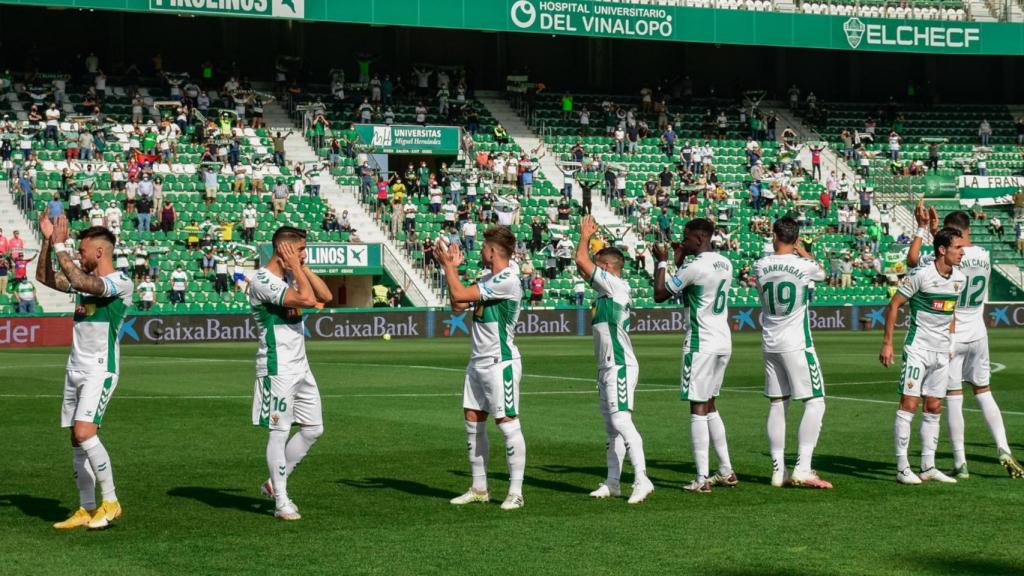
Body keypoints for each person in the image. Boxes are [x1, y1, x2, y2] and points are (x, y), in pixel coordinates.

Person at [906, 206, 1023, 478]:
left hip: (951, 333)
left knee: (954, 398)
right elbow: (958, 248)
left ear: (951, 235)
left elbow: (916, 259)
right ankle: (1003, 447)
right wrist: (940, 232)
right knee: (984, 392)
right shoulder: (984, 255)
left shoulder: (948, 258)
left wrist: (927, 230)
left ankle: (960, 462)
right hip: (978, 332)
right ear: (968, 229)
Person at [36, 214, 133, 530]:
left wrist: (61, 243)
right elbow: (45, 277)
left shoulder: (119, 282)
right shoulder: (83, 278)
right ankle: (86, 507)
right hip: (75, 367)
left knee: (84, 433)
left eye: (82, 250)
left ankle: (111, 501)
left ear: (100, 253)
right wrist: (48, 242)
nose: (79, 255)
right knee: (75, 442)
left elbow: (80, 281)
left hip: (99, 370)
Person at [433, 226, 526, 511]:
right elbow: (457, 303)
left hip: (501, 362)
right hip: (478, 361)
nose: (480, 251)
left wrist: (448, 266)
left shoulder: (508, 279)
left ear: (494, 251)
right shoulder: (488, 277)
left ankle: (515, 492)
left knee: (507, 424)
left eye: (484, 247)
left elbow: (460, 293)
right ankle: (479, 488)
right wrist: (452, 271)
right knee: (473, 421)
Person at [250, 226, 333, 520]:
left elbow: (325, 295)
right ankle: (281, 501)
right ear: (283, 250)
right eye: (299, 250)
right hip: (277, 367)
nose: (303, 254)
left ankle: (273, 484)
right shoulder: (262, 280)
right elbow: (308, 301)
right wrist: (297, 267)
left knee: (313, 428)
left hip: (301, 365)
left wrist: (302, 266)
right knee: (279, 430)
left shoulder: (290, 275)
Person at [652, 218, 736, 493]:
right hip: (723, 340)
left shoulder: (695, 267)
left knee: (697, 407)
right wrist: (681, 257)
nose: (683, 241)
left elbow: (661, 293)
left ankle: (701, 479)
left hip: (701, 342)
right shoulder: (724, 263)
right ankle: (726, 470)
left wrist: (662, 261)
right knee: (711, 404)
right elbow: (689, 282)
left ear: (699, 239)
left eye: (687, 238)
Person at [880, 227, 966, 485]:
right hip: (918, 349)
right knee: (909, 404)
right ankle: (902, 467)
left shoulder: (960, 279)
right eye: (957, 248)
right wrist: (887, 344)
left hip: (941, 352)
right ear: (942, 250)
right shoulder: (921, 275)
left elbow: (950, 312)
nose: (962, 252)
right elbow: (894, 305)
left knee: (934, 406)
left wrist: (950, 342)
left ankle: (928, 466)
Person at [576, 216, 653, 504]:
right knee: (611, 428)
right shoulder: (604, 290)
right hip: (607, 367)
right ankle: (613, 482)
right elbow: (583, 265)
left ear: (607, 268)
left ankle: (642, 478)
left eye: (598, 265)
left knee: (622, 421)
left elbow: (582, 261)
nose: (591, 272)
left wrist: (585, 235)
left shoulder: (615, 286)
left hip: (620, 365)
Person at [753, 218, 832, 489]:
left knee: (777, 403)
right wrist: (804, 252)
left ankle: (778, 470)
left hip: (770, 341)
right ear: (796, 239)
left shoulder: (760, 264)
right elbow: (822, 273)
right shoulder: (804, 265)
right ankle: (803, 467)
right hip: (797, 342)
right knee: (815, 401)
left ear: (775, 235)